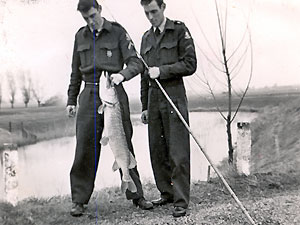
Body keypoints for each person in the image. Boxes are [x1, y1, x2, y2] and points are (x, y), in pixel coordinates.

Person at [66, 0, 153, 217]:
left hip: (114, 90)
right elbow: (75, 71)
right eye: (86, 18)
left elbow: (136, 62)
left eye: (93, 16)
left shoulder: (117, 32)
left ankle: (137, 195)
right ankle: (79, 200)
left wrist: (122, 75)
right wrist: (71, 99)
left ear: (100, 10)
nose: (90, 21)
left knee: (123, 143)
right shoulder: (80, 36)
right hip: (89, 95)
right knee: (84, 147)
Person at [139, 0, 197, 218]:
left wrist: (162, 71)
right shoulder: (146, 37)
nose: (151, 16)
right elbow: (144, 75)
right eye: (146, 13)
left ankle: (181, 200)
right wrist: (144, 105)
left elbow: (190, 64)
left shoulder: (179, 30)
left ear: (163, 8)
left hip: (174, 94)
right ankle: (167, 192)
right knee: (157, 149)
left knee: (177, 150)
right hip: (154, 98)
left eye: (154, 11)